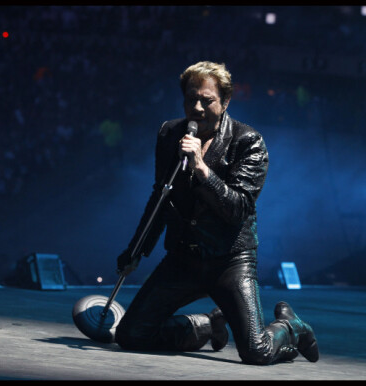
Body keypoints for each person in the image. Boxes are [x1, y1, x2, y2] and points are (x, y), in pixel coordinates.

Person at [114, 61, 319, 364]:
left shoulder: (248, 141)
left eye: (206, 100)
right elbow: (161, 196)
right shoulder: (170, 134)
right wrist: (136, 250)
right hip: (184, 258)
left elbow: (238, 209)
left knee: (255, 351)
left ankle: (290, 326)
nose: (196, 108)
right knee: (130, 334)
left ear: (225, 102)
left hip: (229, 260)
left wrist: (200, 167)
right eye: (190, 99)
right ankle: (207, 326)